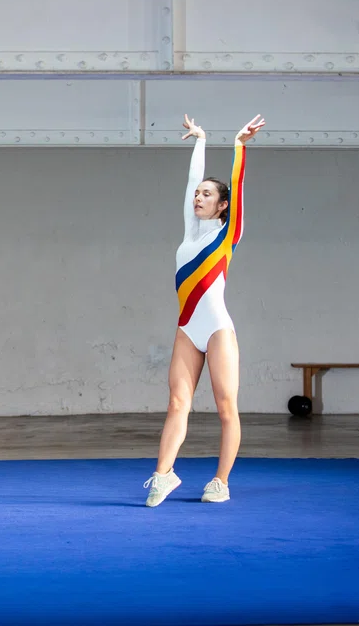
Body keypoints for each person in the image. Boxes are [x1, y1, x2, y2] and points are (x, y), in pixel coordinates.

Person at [144, 112, 265, 506]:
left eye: (207, 194)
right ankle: (163, 475)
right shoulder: (189, 233)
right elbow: (189, 182)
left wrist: (239, 146)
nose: (198, 197)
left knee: (226, 408)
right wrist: (200, 140)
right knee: (176, 403)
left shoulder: (228, 235)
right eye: (197, 194)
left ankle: (220, 482)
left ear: (222, 204)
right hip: (187, 328)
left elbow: (238, 186)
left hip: (216, 329)